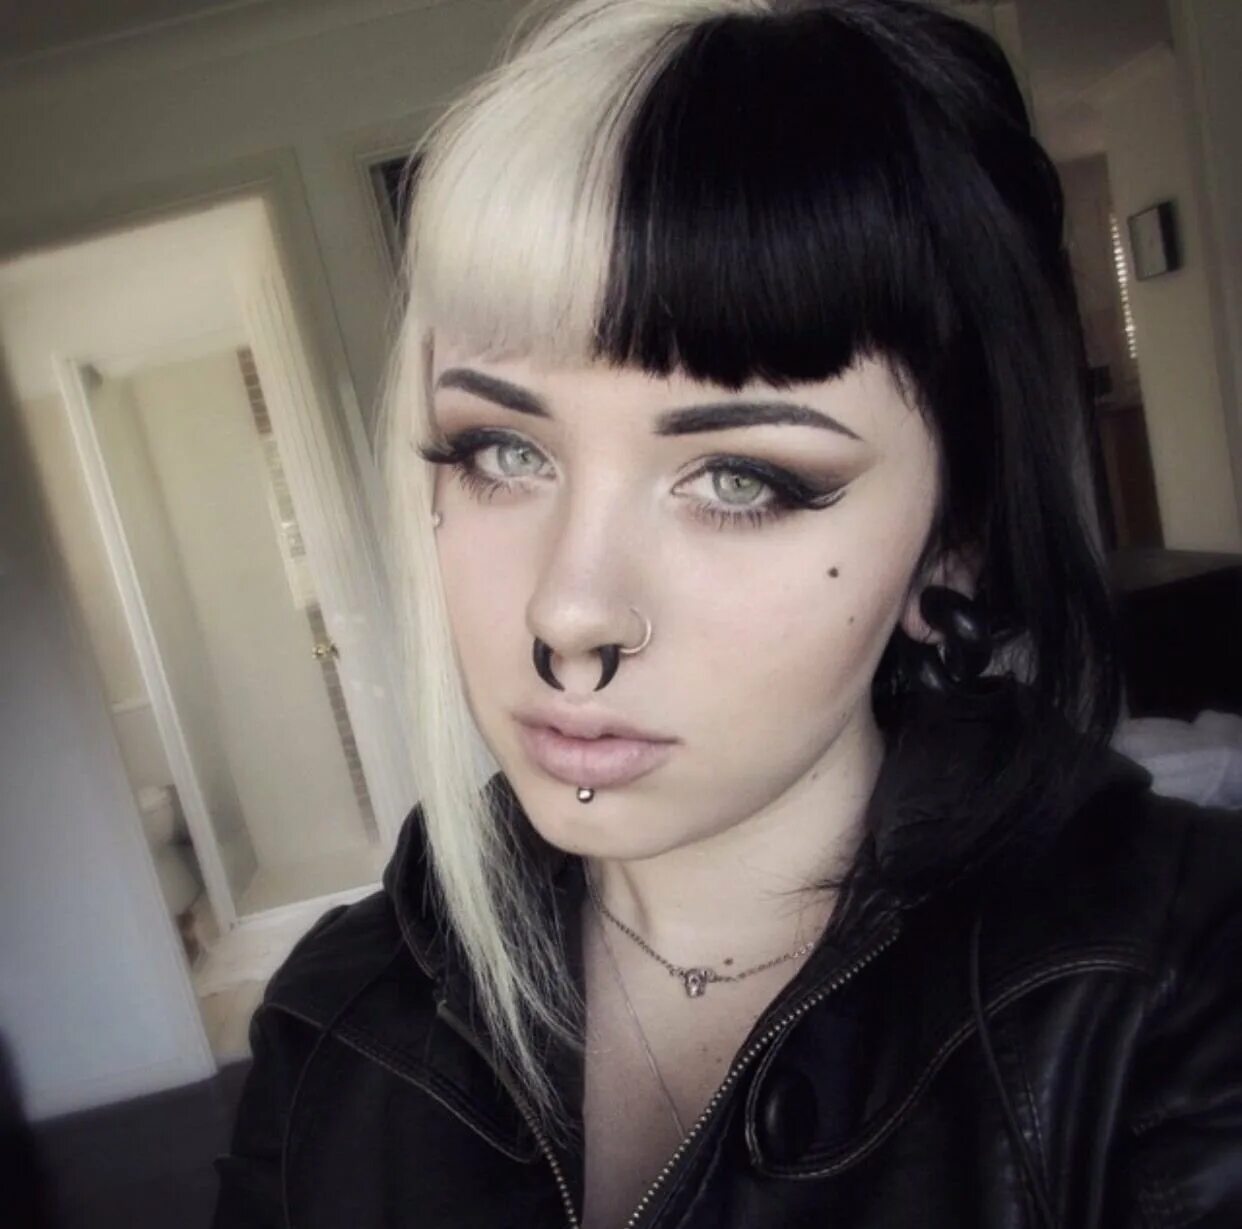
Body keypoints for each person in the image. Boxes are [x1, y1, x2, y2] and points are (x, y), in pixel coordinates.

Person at [211, 0, 1242, 1225]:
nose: (571, 612)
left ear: (953, 539)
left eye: (741, 479)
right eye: (502, 451)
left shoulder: (1181, 989)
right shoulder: (332, 1018)